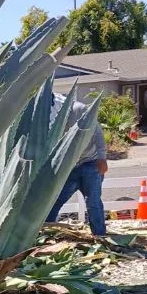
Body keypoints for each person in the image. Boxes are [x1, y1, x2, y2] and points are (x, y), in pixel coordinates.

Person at [46, 93, 108, 236]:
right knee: (54, 200)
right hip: (70, 166)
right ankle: (46, 231)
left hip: (90, 162)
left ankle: (100, 235)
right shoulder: (49, 117)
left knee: (93, 201)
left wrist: (102, 158)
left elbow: (97, 133)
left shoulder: (79, 109)